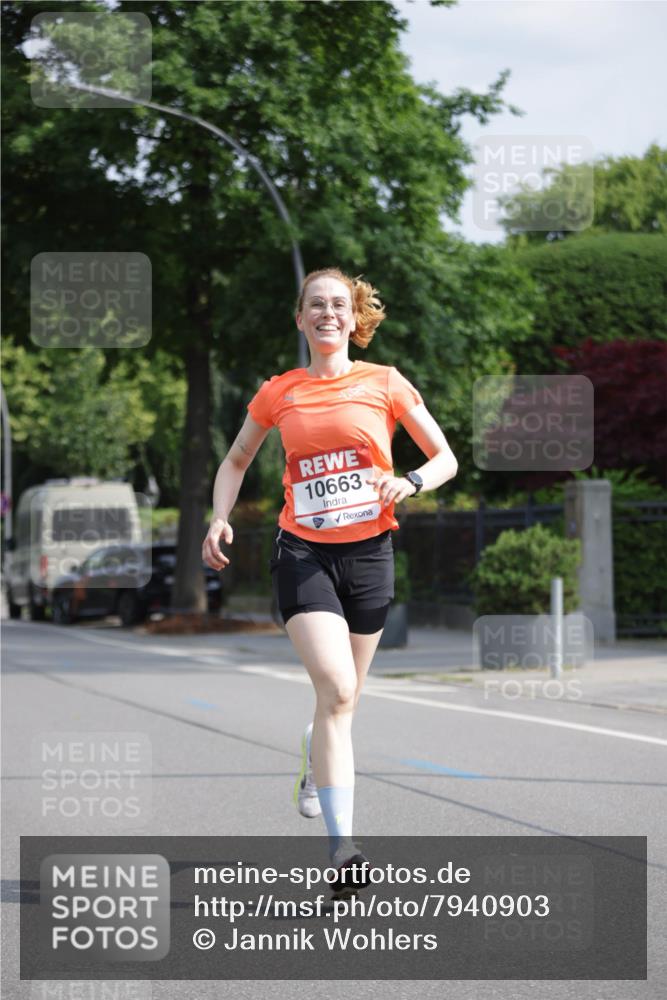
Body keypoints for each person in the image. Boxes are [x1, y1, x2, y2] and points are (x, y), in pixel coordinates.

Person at [202, 267, 458, 897]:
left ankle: (315, 757)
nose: (327, 313)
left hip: (370, 555)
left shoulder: (386, 383)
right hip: (304, 555)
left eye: (338, 304)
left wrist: (413, 482)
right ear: (301, 318)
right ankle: (344, 849)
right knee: (338, 688)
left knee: (343, 703)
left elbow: (445, 456)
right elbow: (237, 459)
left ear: (353, 317)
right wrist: (219, 517)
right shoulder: (279, 392)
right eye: (315, 304)